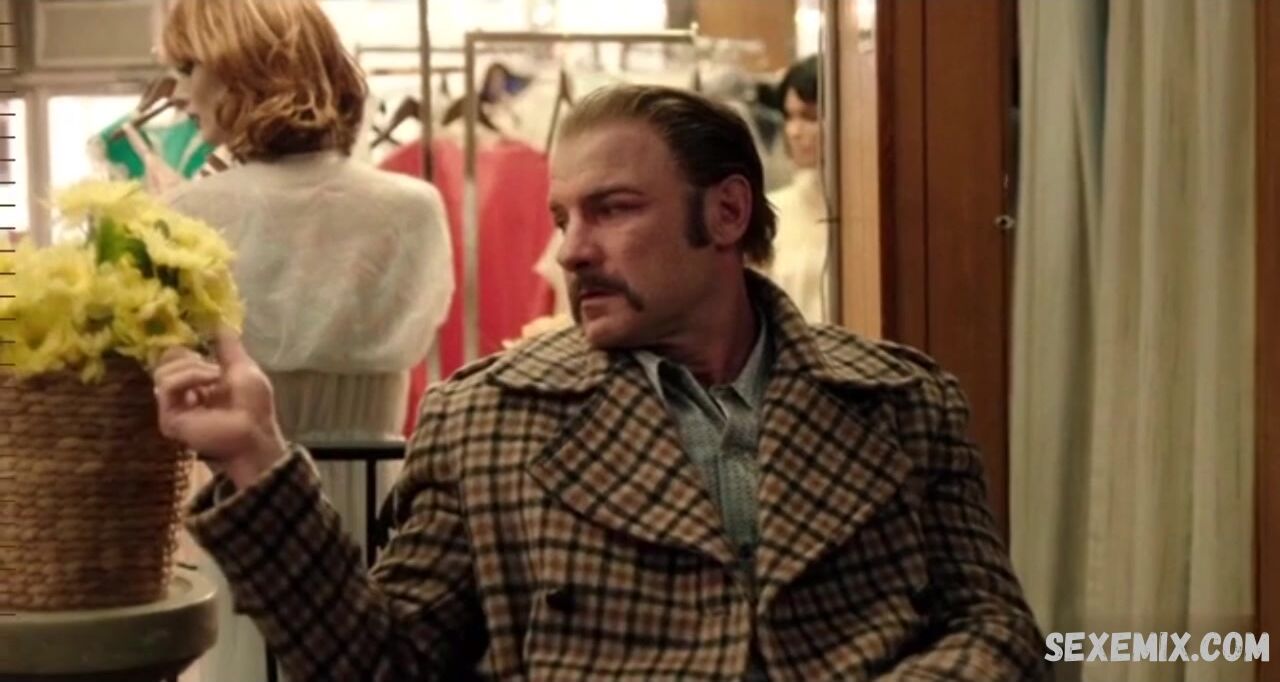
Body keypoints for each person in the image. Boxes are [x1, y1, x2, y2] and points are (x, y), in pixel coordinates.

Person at [153, 84, 1047, 681]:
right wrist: (259, 460)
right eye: (561, 218)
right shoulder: (487, 419)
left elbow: (999, 630)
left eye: (613, 209)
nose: (570, 251)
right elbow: (384, 665)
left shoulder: (901, 404)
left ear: (726, 212)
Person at [154, 1, 453, 680]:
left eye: (190, 68)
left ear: (238, 70)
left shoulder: (188, 215)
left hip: (248, 510)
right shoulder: (414, 207)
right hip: (381, 503)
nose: (180, 92)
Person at [764, 55, 832, 323]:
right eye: (789, 116)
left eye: (809, 117)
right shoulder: (773, 212)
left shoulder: (868, 213)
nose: (794, 131)